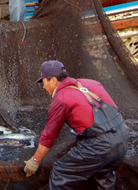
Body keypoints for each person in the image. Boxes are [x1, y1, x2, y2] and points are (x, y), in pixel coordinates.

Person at [24, 60, 129, 189]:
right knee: (104, 175)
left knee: (60, 172)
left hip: (99, 145)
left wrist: (34, 161)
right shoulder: (92, 83)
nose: (43, 86)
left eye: (44, 81)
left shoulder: (61, 98)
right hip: (122, 137)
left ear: (53, 81)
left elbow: (48, 137)